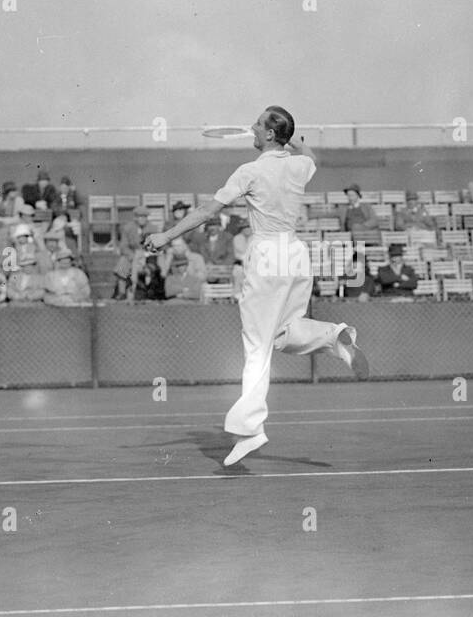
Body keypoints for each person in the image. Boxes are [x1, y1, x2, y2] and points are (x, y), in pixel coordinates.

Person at [141, 105, 368, 467]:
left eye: (258, 125)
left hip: (266, 254)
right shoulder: (298, 165)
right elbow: (310, 154)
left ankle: (249, 430)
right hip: (295, 254)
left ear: (267, 135)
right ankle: (334, 337)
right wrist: (291, 139)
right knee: (283, 334)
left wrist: (166, 235)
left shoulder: (249, 172)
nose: (251, 128)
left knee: (257, 347)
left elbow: (205, 213)